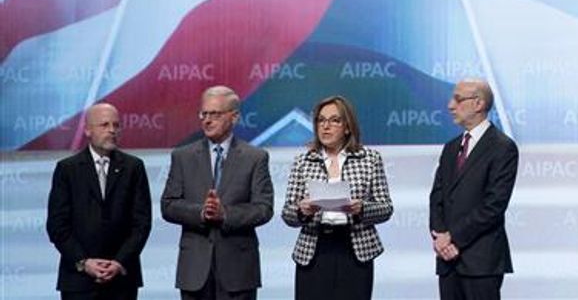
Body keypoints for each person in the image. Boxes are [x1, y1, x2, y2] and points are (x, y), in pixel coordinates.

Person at [161, 85, 274, 300]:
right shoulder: (182, 156)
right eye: (204, 113)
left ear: (234, 117)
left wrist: (226, 214)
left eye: (215, 114)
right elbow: (168, 205)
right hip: (194, 270)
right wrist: (201, 213)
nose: (207, 120)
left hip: (238, 271)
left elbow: (263, 209)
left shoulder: (255, 157)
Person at [282, 95, 393, 300]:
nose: (326, 126)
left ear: (347, 127)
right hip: (314, 249)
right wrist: (301, 211)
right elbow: (287, 213)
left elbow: (386, 208)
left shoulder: (370, 158)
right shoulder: (303, 161)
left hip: (355, 249)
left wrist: (362, 209)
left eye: (334, 120)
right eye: (321, 120)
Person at [46, 103, 152, 300]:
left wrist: (120, 262)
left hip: (122, 279)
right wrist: (83, 262)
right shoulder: (67, 169)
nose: (112, 130)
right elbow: (57, 226)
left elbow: (142, 224)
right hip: (78, 280)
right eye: (104, 125)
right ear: (87, 130)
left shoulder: (133, 167)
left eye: (116, 125)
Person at [429, 79, 519, 300]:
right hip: (448, 261)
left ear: (478, 104)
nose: (451, 105)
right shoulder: (451, 148)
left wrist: (454, 238)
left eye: (458, 99)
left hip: (481, 261)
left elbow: (493, 206)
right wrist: (440, 237)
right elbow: (437, 197)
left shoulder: (502, 148)